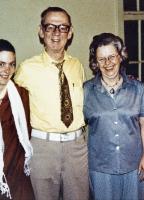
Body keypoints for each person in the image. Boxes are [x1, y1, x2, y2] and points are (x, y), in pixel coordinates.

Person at [14, 7, 88, 200]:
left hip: (76, 147)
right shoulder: (26, 69)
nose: (56, 33)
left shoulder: (77, 66)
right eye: (50, 27)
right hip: (42, 148)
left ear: (70, 32)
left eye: (63, 27)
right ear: (41, 31)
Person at [83, 33, 144, 200]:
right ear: (95, 62)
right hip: (100, 167)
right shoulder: (86, 91)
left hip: (134, 164)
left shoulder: (137, 88)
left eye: (112, 57)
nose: (108, 63)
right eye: (101, 59)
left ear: (121, 56)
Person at [0, 39, 34, 199]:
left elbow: (27, 130)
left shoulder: (21, 95)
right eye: (1, 64)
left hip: (17, 169)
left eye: (12, 64)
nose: (7, 70)